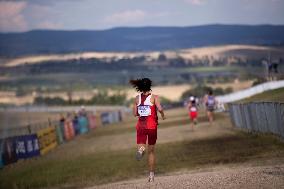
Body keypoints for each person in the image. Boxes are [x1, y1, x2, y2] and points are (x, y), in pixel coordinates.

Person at [130, 78, 165, 182]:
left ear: (140, 86)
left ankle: (141, 150)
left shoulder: (137, 98)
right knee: (151, 152)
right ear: (150, 86)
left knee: (142, 147)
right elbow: (160, 109)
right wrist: (163, 115)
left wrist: (142, 110)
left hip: (141, 126)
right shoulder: (154, 97)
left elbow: (135, 114)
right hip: (152, 127)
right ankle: (151, 175)